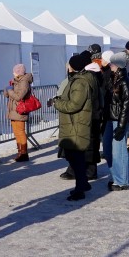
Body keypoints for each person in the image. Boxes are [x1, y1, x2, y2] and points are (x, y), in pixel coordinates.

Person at [52, 53, 95, 201]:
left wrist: (56, 103)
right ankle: (84, 183)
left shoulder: (80, 83)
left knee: (76, 157)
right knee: (72, 156)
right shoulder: (77, 80)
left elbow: (74, 105)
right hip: (73, 124)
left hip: (76, 124)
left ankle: (80, 189)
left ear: (72, 66)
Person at [101, 50, 129, 191]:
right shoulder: (113, 79)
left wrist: (121, 126)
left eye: (112, 63)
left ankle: (121, 181)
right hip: (110, 119)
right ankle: (115, 176)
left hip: (119, 120)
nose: (110, 65)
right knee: (107, 148)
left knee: (119, 151)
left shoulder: (126, 82)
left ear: (118, 65)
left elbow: (127, 106)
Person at [4, 64, 33, 162]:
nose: (13, 73)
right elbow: (9, 95)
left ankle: (24, 153)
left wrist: (10, 90)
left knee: (20, 132)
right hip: (13, 109)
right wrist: (7, 89)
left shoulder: (24, 82)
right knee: (17, 132)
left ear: (19, 72)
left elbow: (18, 97)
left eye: (15, 71)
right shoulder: (16, 81)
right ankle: (20, 153)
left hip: (20, 110)